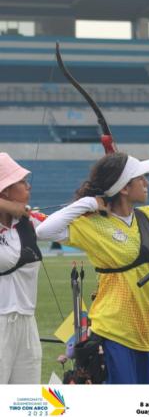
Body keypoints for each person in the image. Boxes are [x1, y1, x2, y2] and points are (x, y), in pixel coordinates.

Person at [36, 152, 149, 384]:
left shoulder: (148, 217)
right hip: (112, 329)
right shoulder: (92, 224)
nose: (147, 183)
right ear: (125, 189)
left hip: (143, 331)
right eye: (141, 178)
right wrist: (87, 203)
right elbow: (43, 232)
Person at [0, 152, 45, 384]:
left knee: (24, 401)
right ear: (5, 190)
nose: (28, 187)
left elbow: (62, 223)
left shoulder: (28, 222)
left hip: (27, 321)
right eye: (21, 182)